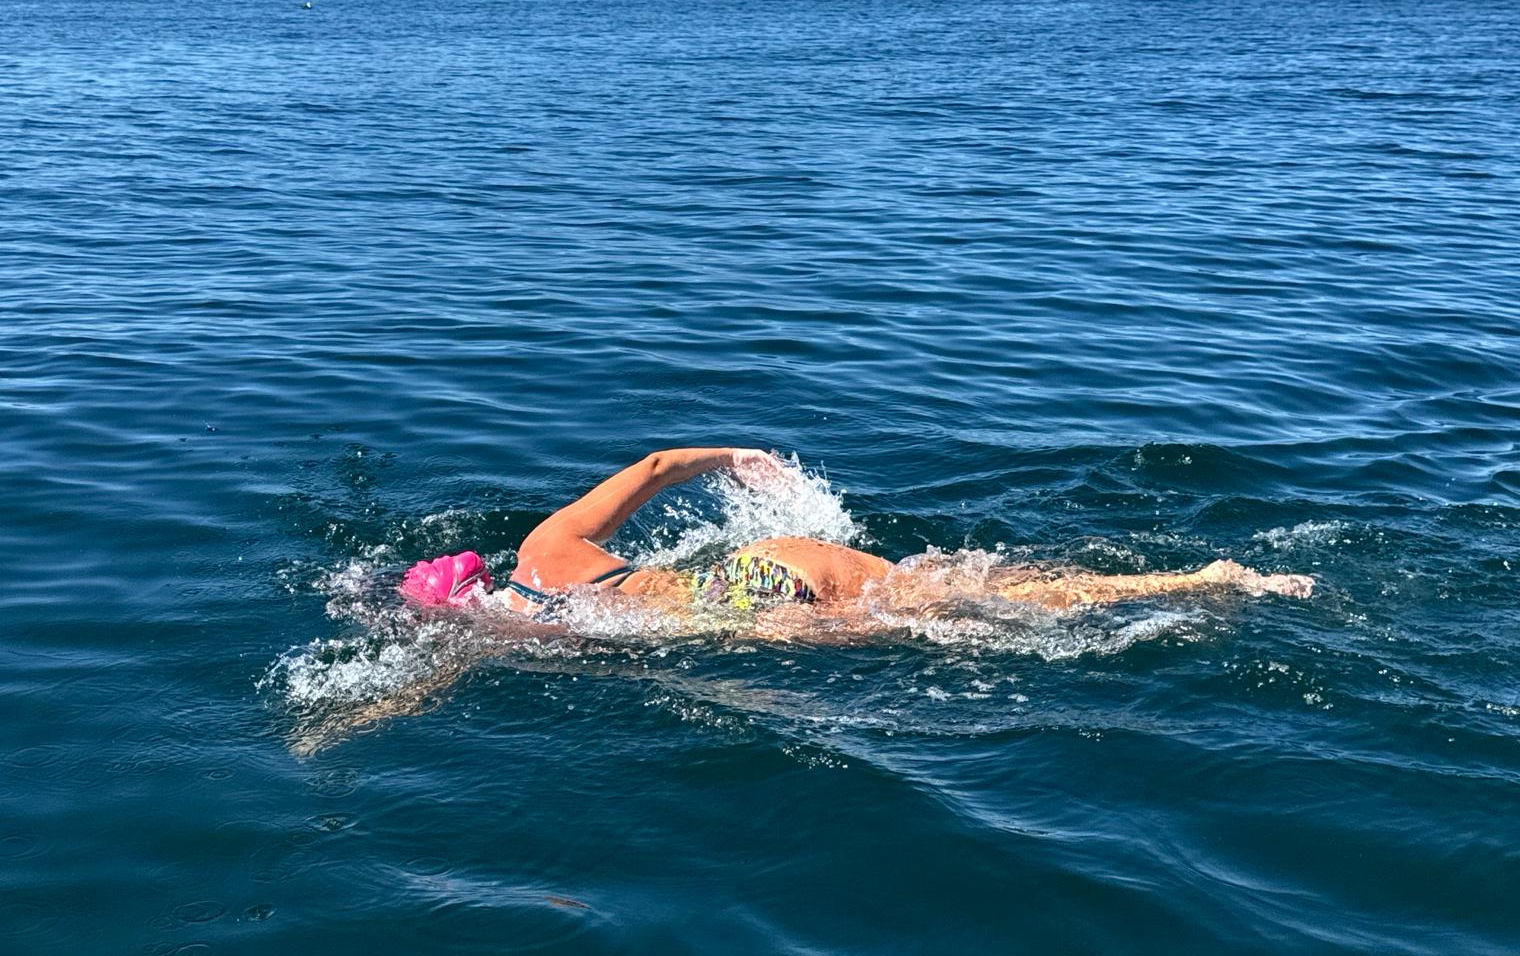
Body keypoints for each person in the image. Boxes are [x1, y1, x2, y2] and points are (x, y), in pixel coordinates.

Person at [400, 447, 1314, 614]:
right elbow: (651, 468)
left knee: (978, 624)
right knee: (960, 587)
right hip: (765, 564)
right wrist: (736, 458)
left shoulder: (504, 634)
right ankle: (1197, 577)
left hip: (755, 604)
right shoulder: (545, 548)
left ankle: (1206, 580)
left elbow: (396, 687)